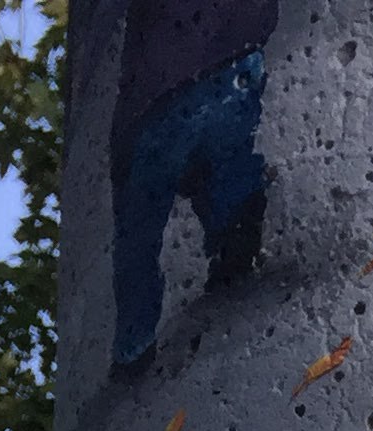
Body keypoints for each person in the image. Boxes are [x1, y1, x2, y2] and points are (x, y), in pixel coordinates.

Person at [77, 0, 279, 381]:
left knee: (139, 225)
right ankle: (235, 233)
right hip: (239, 58)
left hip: (158, 98)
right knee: (225, 157)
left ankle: (133, 344)